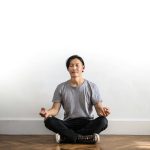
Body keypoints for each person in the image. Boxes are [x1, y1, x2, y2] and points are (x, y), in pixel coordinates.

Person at [39, 55, 110, 144]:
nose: (74, 68)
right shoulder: (61, 87)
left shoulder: (92, 87)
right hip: (68, 123)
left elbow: (99, 110)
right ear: (68, 69)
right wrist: (47, 113)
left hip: (87, 122)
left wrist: (104, 112)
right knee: (49, 120)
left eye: (77, 65)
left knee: (103, 121)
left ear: (83, 68)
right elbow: (55, 109)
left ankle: (67, 137)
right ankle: (84, 138)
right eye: (71, 65)